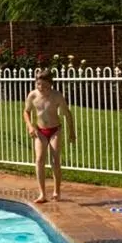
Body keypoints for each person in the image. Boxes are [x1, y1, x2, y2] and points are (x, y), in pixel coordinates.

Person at [23, 70, 76, 204]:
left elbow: (67, 113)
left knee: (55, 160)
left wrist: (72, 132)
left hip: (55, 130)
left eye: (45, 85)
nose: (41, 88)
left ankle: (56, 191)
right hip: (40, 130)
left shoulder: (56, 96)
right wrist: (30, 126)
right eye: (39, 84)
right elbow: (26, 111)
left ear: (51, 84)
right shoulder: (33, 95)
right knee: (39, 159)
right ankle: (42, 194)